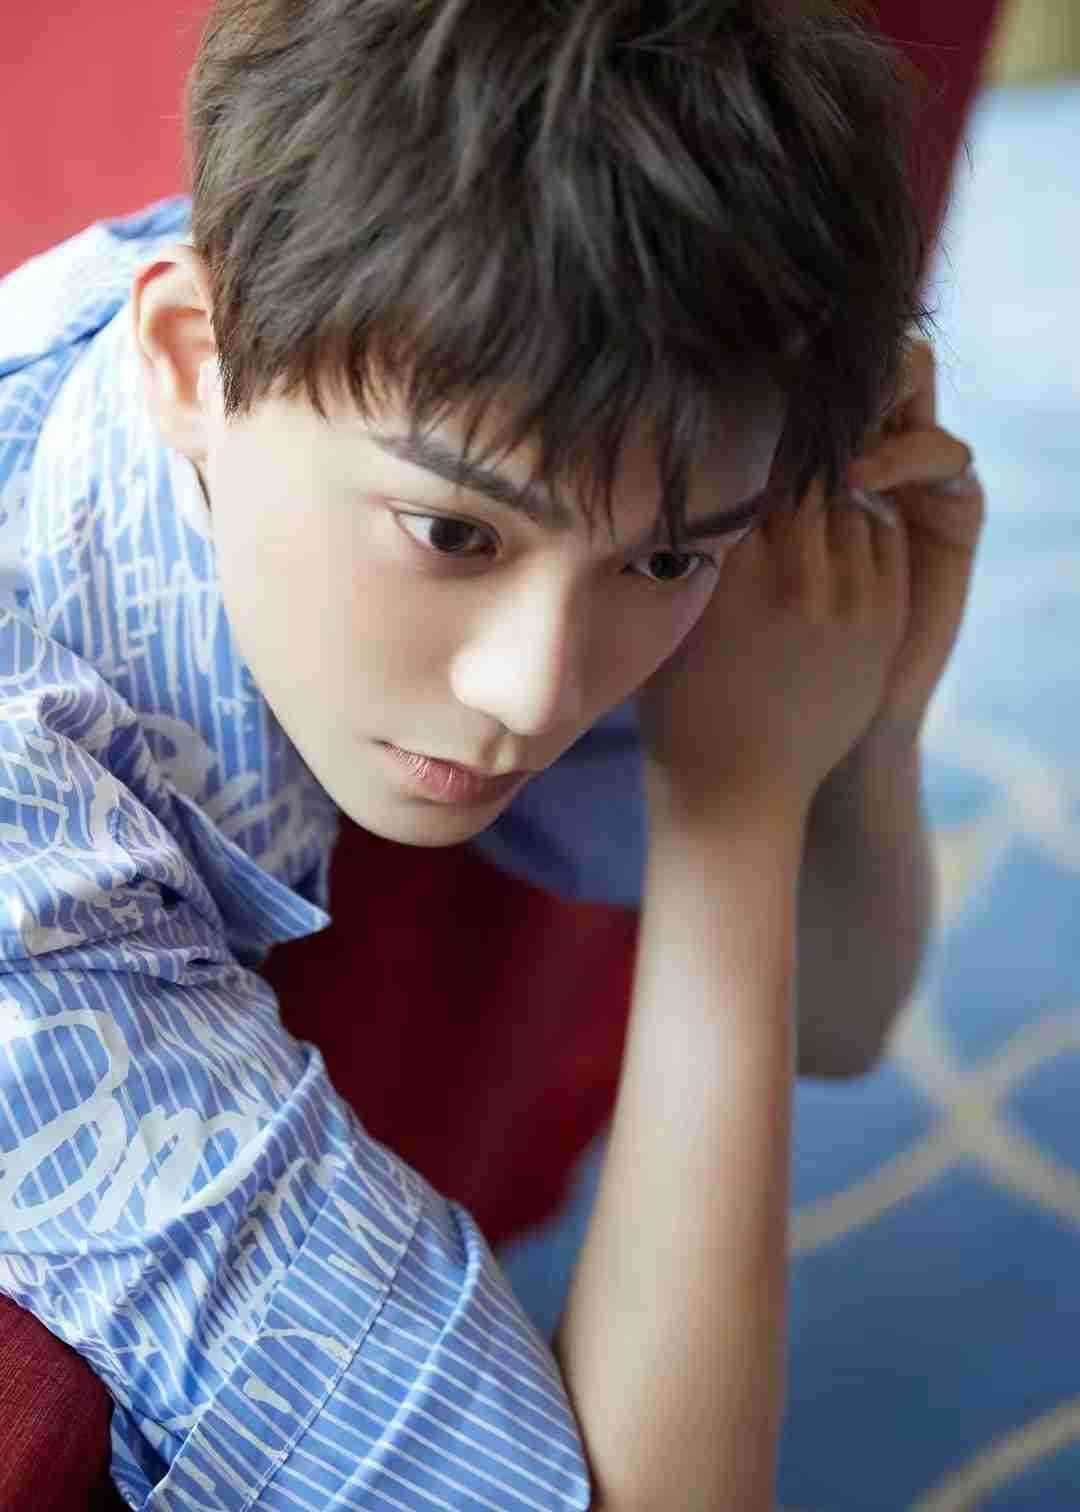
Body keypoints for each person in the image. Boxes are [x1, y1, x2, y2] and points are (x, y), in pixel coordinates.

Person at [0, 0, 985, 1506]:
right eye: (454, 536)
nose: (533, 690)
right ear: (188, 361)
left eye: (670, 561)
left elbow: (842, 1024)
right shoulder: (30, 882)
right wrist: (732, 809)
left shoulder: (489, 356)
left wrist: (877, 704)